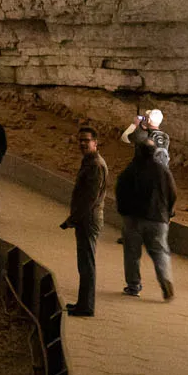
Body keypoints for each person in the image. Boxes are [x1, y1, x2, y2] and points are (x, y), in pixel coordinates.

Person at [116, 143, 177, 301]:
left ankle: (133, 285)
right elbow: (172, 192)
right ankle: (165, 280)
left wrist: (123, 211)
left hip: (133, 218)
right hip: (158, 219)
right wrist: (168, 213)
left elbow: (120, 190)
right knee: (160, 252)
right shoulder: (163, 171)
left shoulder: (131, 170)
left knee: (132, 253)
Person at [60, 126, 107, 317]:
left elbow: (90, 198)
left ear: (95, 142)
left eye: (86, 140)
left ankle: (86, 306)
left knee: (87, 263)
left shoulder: (95, 164)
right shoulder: (89, 161)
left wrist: (72, 219)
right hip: (86, 218)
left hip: (89, 219)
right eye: (80, 140)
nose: (82, 144)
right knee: (84, 263)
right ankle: (82, 303)